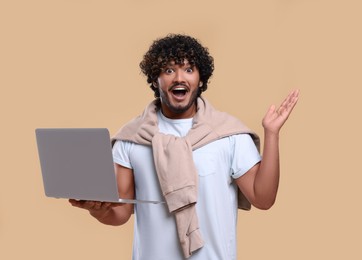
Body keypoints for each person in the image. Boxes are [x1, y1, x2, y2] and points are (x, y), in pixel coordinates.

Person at [69, 34, 299, 259]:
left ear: (200, 79)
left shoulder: (228, 134)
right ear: (155, 79)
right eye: (168, 70)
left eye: (189, 69)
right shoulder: (132, 138)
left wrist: (272, 134)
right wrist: (97, 209)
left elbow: (263, 198)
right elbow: (120, 212)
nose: (179, 78)